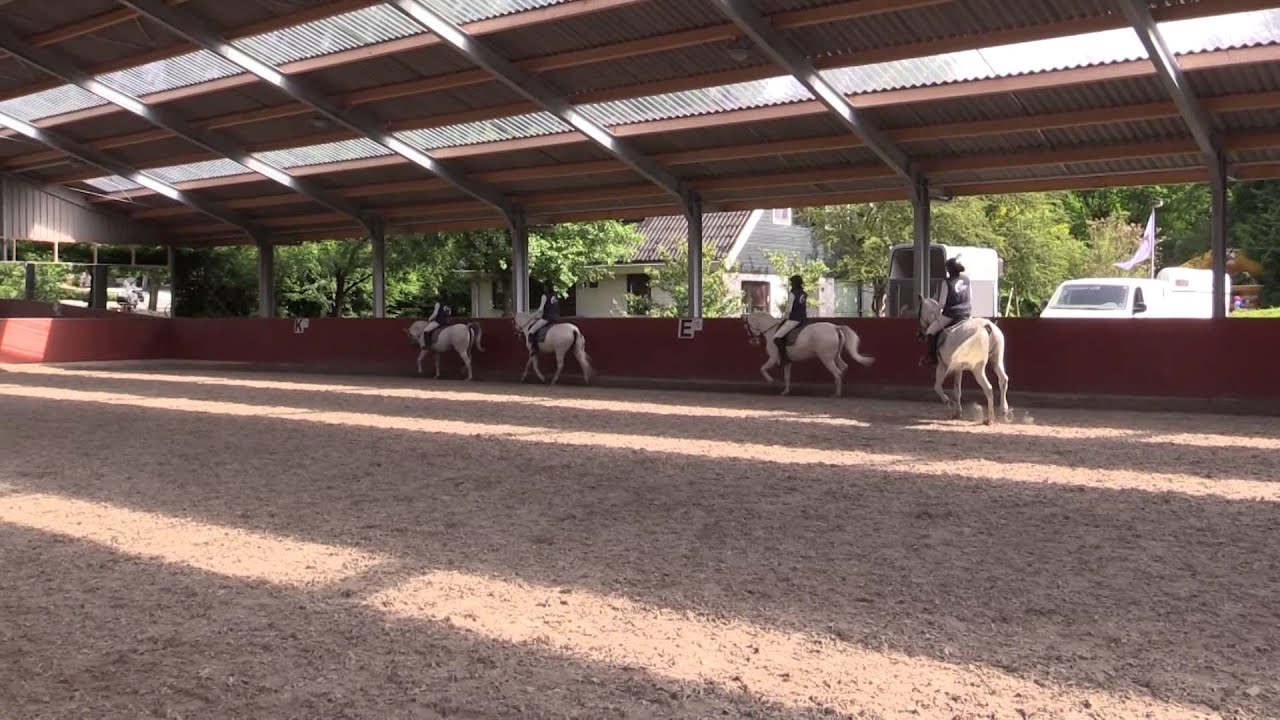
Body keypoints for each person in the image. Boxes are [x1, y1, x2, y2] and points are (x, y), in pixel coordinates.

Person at [922, 257, 971, 366]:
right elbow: (970, 297)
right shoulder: (967, 280)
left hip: (951, 314)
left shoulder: (946, 282)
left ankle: (932, 357)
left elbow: (942, 303)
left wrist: (935, 312)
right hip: (967, 313)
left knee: (930, 330)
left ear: (949, 269)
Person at [774, 275, 807, 363]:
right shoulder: (803, 293)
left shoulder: (792, 293)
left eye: (792, 283)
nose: (791, 285)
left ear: (794, 283)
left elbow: (789, 309)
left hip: (794, 319)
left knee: (777, 337)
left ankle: (784, 358)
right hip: (804, 318)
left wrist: (782, 318)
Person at [524, 280, 560, 353]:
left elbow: (540, 309)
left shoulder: (544, 296)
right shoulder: (555, 295)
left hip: (547, 318)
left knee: (531, 331)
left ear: (546, 287)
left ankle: (534, 349)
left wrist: (532, 315)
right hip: (556, 318)